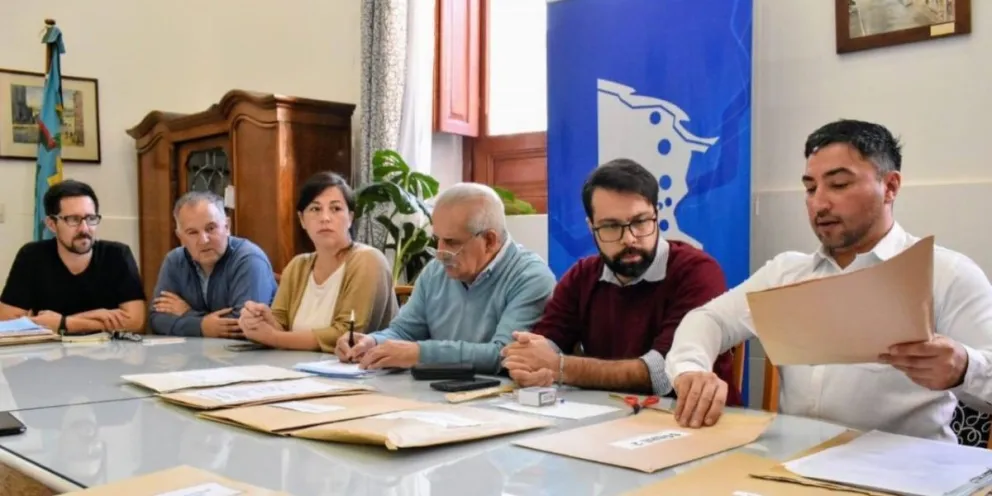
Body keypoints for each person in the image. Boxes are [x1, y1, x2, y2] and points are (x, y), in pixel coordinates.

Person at [666, 119, 992, 442]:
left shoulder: (945, 273)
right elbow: (709, 319)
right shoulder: (787, 273)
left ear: (890, 187)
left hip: (905, 475)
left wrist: (964, 368)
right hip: (791, 467)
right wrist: (690, 369)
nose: (819, 203)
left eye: (838, 185)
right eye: (810, 188)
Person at [500, 159, 739, 404]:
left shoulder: (696, 272)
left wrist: (559, 366)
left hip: (694, 422)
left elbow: (663, 373)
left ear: (656, 216)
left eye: (640, 221)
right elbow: (549, 341)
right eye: (611, 226)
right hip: (608, 419)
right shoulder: (582, 276)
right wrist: (530, 361)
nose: (629, 238)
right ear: (591, 227)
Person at [335, 182, 556, 373]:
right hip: (434, 396)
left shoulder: (530, 277)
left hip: (499, 403)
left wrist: (421, 354)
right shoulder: (435, 271)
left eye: (452, 243)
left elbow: (504, 353)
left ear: (489, 240)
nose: (440, 254)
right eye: (436, 240)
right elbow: (404, 331)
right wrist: (371, 342)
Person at [237, 172, 397, 351]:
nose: (325, 218)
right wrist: (261, 320)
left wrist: (272, 336)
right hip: (297, 371)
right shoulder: (298, 265)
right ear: (302, 220)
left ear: (350, 218)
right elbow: (282, 329)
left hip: (356, 374)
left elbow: (347, 334)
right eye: (315, 209)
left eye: (336, 209)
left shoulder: (368, 260)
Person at [0, 180, 145, 333]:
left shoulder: (117, 255)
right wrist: (96, 317)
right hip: (49, 354)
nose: (84, 228)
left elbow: (136, 321)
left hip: (108, 353)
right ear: (51, 224)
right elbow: (7, 322)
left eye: (90, 218)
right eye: (73, 220)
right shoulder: (32, 256)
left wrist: (64, 323)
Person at [148, 191, 277, 338]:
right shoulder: (174, 261)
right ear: (180, 238)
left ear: (227, 226)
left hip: (252, 358)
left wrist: (188, 314)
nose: (203, 240)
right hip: (195, 356)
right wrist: (202, 326)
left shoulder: (249, 259)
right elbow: (156, 319)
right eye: (192, 232)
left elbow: (245, 325)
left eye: (211, 228)